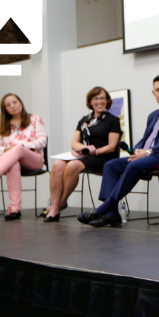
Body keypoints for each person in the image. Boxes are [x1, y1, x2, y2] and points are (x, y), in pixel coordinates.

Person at [77, 74, 159, 227]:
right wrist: (137, 151)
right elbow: (145, 138)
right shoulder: (153, 115)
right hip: (144, 155)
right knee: (110, 165)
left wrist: (147, 152)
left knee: (133, 165)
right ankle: (112, 214)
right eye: (158, 90)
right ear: (154, 93)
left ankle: (104, 209)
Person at [43, 86, 122, 222]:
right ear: (90, 102)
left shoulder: (113, 120)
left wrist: (94, 151)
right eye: (96, 98)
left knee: (73, 166)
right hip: (86, 155)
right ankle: (56, 205)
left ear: (107, 101)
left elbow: (112, 146)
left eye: (102, 98)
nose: (99, 101)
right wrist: (84, 149)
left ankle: (60, 203)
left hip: (104, 157)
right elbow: (74, 142)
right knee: (57, 164)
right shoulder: (84, 120)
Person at [0, 93, 48, 220]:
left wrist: (22, 145)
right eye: (8, 105)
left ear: (20, 103)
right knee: (13, 163)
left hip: (33, 159)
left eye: (14, 102)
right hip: (12, 161)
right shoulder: (1, 126)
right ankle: (15, 209)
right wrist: (6, 149)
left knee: (18, 148)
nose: (12, 106)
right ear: (5, 110)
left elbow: (42, 141)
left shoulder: (35, 119)